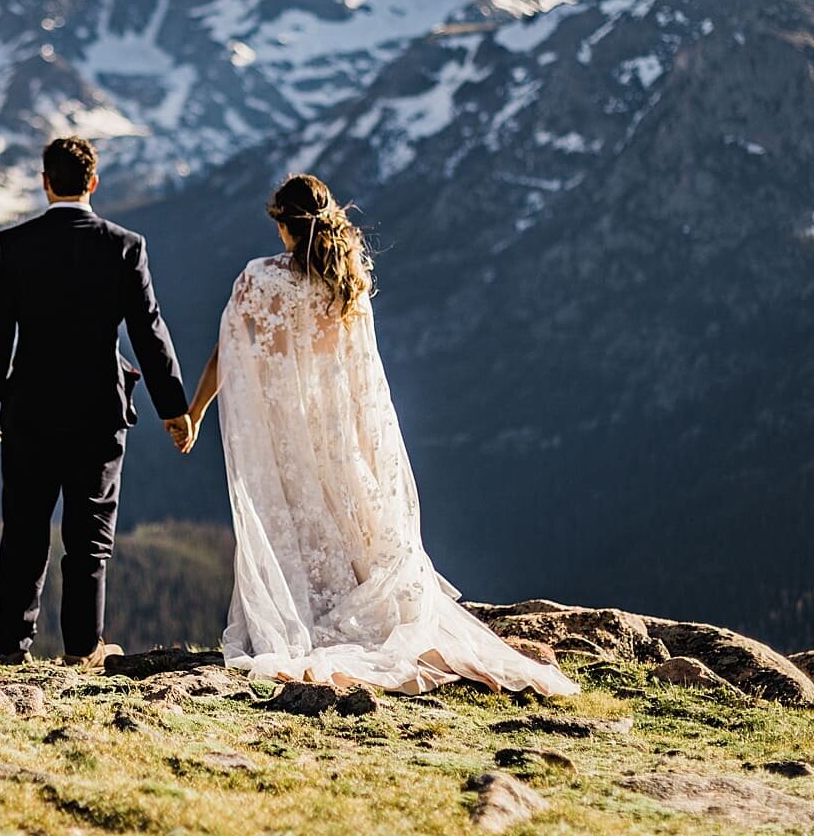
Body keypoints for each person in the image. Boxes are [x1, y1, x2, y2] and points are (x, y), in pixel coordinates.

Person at [186, 173, 578, 696]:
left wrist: (193, 412)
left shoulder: (259, 279)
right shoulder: (346, 284)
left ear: (283, 224)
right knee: (345, 534)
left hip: (283, 431)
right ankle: (354, 620)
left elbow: (228, 356)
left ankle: (303, 621)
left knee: (298, 532)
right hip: (336, 434)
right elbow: (366, 384)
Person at [0, 135, 197, 668]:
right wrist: (175, 407)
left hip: (28, 408)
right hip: (99, 411)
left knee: (24, 531)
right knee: (89, 536)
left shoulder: (15, 245)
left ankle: (9, 648)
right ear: (93, 183)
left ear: (45, 182)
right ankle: (82, 649)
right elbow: (149, 332)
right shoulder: (124, 247)